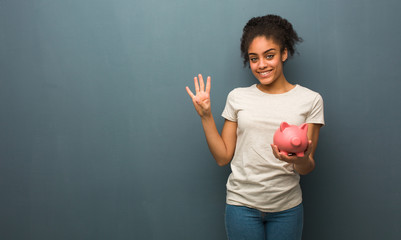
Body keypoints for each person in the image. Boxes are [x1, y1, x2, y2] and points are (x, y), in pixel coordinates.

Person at [185, 14, 324, 240]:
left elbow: (306, 167)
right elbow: (223, 157)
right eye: (253, 58)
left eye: (269, 56)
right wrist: (206, 116)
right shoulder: (238, 97)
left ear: (284, 53)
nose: (261, 65)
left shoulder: (310, 100)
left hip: (287, 208)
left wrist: (297, 159)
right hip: (242, 206)